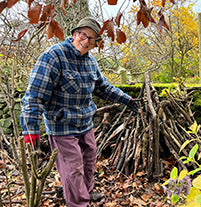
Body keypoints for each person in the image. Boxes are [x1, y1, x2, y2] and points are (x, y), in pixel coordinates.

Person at [20, 17, 140, 207]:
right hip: (61, 126)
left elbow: (104, 88)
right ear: (74, 34)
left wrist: (128, 100)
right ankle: (78, 203)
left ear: (95, 44)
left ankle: (85, 192)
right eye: (84, 35)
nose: (86, 41)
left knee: (89, 160)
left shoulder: (91, 63)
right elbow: (34, 97)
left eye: (92, 39)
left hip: (85, 123)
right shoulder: (53, 57)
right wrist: (30, 130)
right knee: (73, 168)